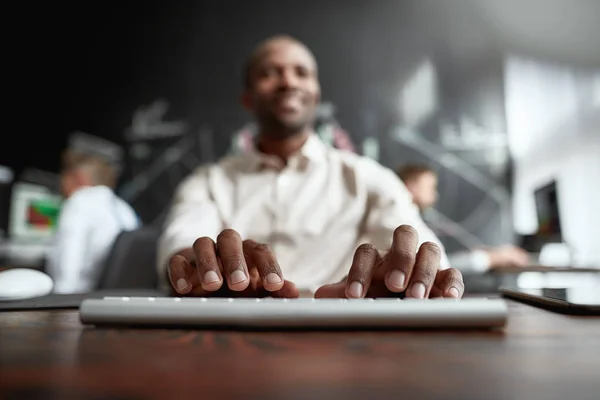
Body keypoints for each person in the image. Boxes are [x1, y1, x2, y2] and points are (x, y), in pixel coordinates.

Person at [157, 35, 465, 299]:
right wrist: (194, 267)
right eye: (269, 73)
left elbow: (425, 257)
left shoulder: (369, 178)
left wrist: (411, 274)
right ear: (248, 99)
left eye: (301, 72)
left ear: (316, 94)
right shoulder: (208, 182)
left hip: (346, 335)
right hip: (231, 331)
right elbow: (182, 245)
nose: (288, 82)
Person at [397, 164, 530, 272]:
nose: (435, 194)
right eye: (430, 187)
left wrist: (488, 254)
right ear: (411, 185)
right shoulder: (403, 220)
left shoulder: (412, 216)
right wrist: (492, 258)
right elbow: (440, 266)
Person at [46, 150, 140, 293]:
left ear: (78, 178)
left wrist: (57, 304)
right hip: (117, 298)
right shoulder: (124, 208)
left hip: (78, 299)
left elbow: (68, 262)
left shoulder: (80, 201)